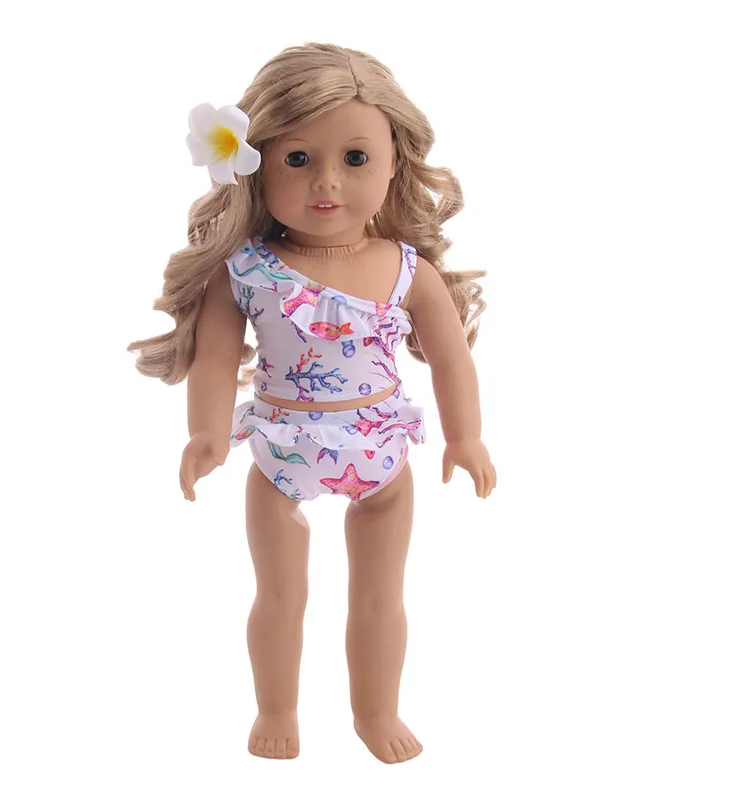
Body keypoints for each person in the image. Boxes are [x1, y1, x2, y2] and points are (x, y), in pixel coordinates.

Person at [128, 42, 497, 764]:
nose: (327, 181)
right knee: (279, 594)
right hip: (281, 453)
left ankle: (375, 711)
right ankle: (276, 709)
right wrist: (206, 433)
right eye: (297, 159)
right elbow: (214, 359)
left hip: (381, 455)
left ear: (394, 161)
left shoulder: (407, 270)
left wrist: (466, 437)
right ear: (255, 164)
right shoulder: (245, 272)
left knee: (381, 597)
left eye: (355, 158)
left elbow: (452, 358)